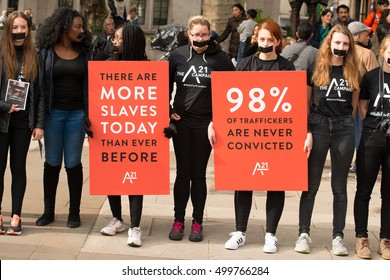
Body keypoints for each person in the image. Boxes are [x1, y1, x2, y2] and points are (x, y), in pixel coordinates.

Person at [212, 20, 295, 253]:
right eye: (262, 39)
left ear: (278, 41)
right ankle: (240, 232)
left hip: (275, 135)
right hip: (247, 134)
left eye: (270, 39)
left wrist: (304, 133)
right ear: (255, 40)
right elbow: (229, 100)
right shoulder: (245, 64)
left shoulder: (287, 68)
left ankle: (271, 234)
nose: (266, 43)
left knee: (277, 183)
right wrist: (214, 123)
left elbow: (295, 105)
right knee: (243, 181)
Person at [167, 15, 235, 242]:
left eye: (204, 34)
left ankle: (197, 222)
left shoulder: (221, 59)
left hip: (206, 124)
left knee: (198, 174)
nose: (200, 38)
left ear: (210, 35)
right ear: (189, 34)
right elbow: (163, 87)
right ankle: (178, 220)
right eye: (196, 34)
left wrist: (218, 121)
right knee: (182, 173)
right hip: (181, 121)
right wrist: (167, 110)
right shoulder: (177, 56)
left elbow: (232, 93)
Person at [294, 25, 360, 256]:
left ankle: (338, 237)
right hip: (318, 125)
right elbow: (305, 102)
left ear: (349, 46)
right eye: (337, 43)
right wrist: (307, 130)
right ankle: (303, 233)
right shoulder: (316, 66)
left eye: (345, 44)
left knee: (339, 188)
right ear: (329, 43)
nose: (341, 47)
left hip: (343, 127)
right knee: (310, 185)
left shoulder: (353, 69)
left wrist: (344, 123)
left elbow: (353, 106)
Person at [34, 7, 92, 229]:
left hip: (77, 115)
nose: (81, 30)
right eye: (77, 26)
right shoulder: (46, 51)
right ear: (64, 27)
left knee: (73, 163)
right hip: (53, 114)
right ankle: (48, 211)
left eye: (82, 26)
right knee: (52, 162)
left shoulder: (86, 51)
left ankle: (74, 213)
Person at [99, 22, 147, 247]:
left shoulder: (149, 68)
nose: (114, 41)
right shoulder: (108, 65)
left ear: (131, 41)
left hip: (138, 131)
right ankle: (117, 218)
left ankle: (135, 226)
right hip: (113, 129)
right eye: (113, 37)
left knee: (136, 179)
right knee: (112, 174)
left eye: (118, 38)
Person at [0, 11, 45, 235]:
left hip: (22, 124)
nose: (19, 32)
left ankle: (16, 217)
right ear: (8, 30)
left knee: (18, 170)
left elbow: (41, 93)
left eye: (23, 27)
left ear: (29, 29)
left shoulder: (34, 57)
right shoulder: (0, 54)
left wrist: (39, 123)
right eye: (15, 28)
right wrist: (4, 106)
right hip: (1, 121)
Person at [353, 35, 390, 260]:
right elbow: (363, 105)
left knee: (389, 193)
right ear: (383, 51)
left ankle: (385, 239)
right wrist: (374, 127)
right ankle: (362, 237)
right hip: (372, 138)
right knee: (363, 191)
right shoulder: (370, 78)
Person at [348, 21, 379, 173]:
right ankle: (360, 163)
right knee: (361, 133)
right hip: (361, 99)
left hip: (341, 100)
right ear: (358, 36)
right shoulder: (367, 54)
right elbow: (376, 79)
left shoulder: (344, 51)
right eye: (366, 35)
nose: (368, 38)